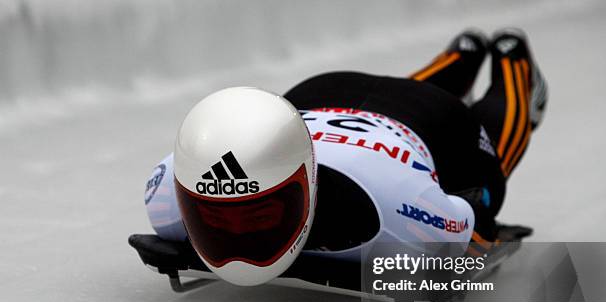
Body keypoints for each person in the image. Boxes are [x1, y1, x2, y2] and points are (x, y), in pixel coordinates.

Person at [143, 28, 547, 286]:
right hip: (324, 95)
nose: (237, 235)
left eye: (260, 216)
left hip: (428, 120)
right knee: (407, 98)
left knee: (490, 175)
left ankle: (512, 64)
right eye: (211, 217)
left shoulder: (398, 210)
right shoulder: (171, 189)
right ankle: (462, 55)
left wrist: (472, 219)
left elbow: (468, 227)